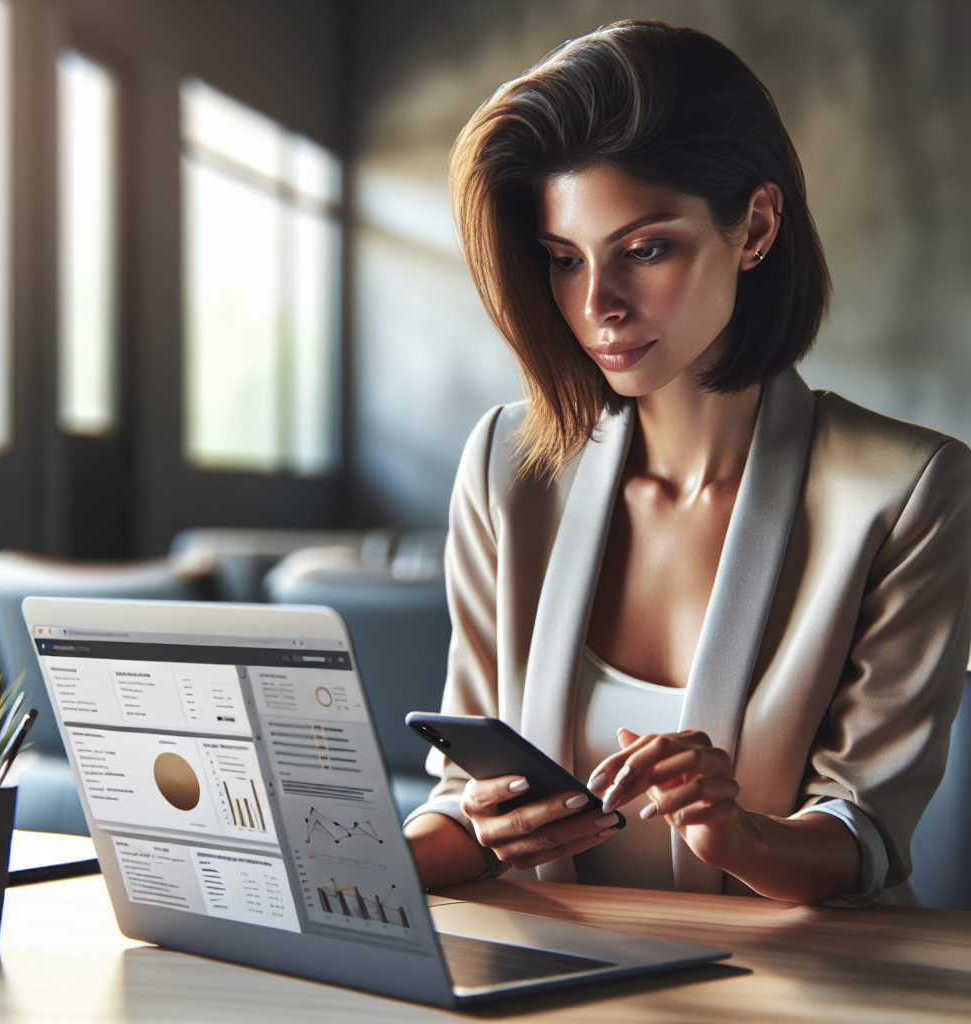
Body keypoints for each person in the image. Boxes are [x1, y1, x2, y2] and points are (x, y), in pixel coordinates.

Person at [402, 21, 971, 906]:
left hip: (794, 983)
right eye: (563, 260)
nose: (597, 308)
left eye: (646, 249)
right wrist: (426, 841)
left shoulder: (907, 491)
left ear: (756, 226)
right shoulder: (506, 468)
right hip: (559, 970)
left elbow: (864, 835)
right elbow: (456, 805)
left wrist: (738, 835)